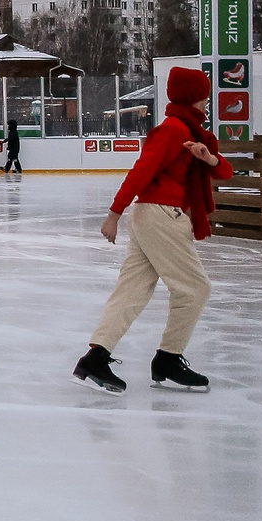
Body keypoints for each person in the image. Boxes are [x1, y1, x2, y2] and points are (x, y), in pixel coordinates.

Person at [73, 66, 227, 394]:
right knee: (195, 288)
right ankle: (169, 358)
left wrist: (208, 158)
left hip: (153, 217)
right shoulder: (173, 130)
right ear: (193, 96)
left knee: (132, 290)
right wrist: (114, 213)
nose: (207, 101)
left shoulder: (196, 134)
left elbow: (224, 170)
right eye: (204, 95)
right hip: (162, 216)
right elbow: (141, 172)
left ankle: (95, 356)